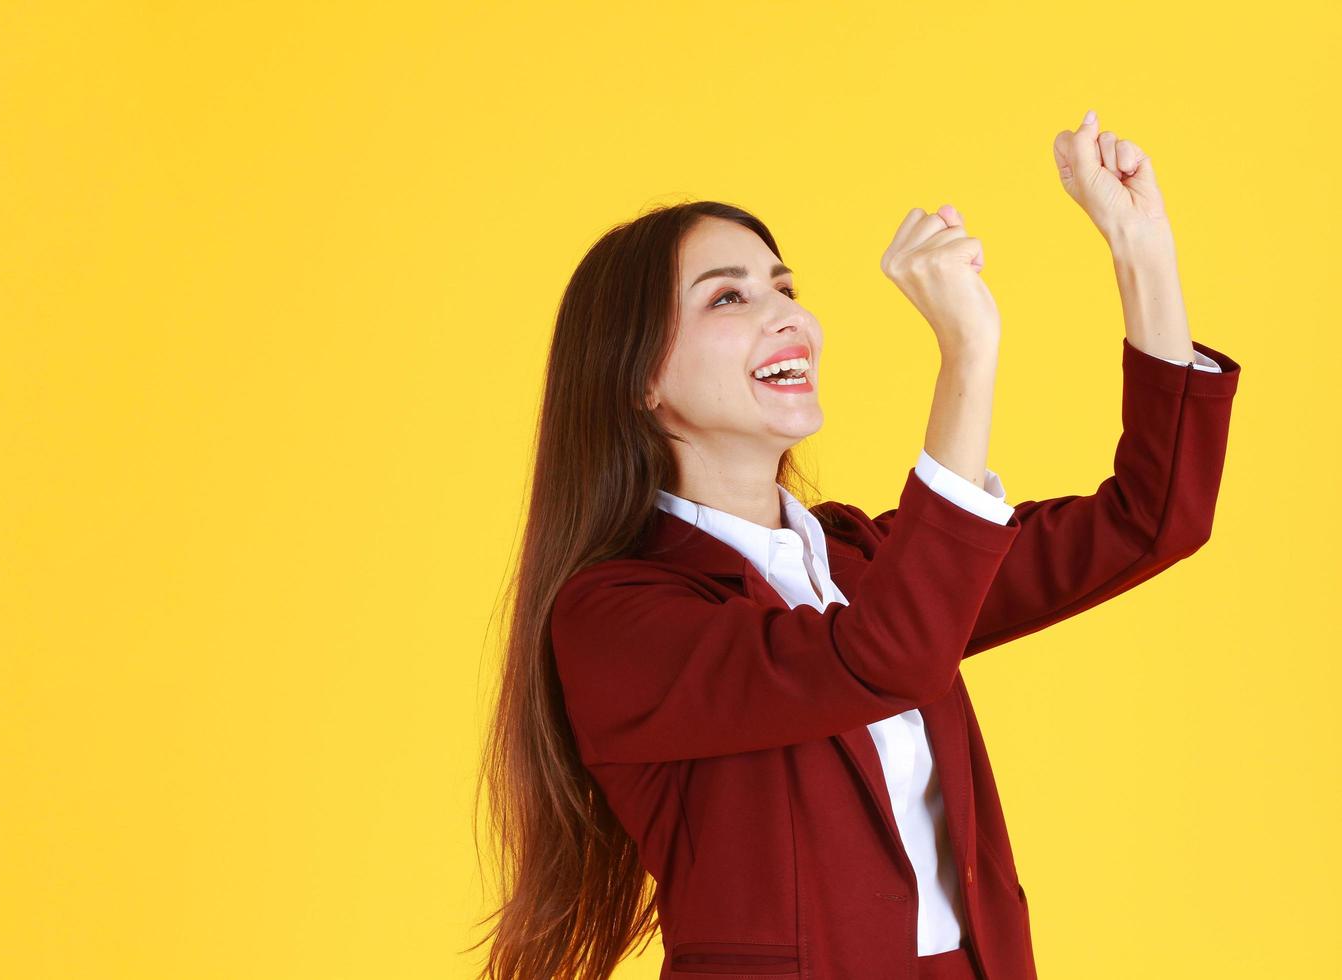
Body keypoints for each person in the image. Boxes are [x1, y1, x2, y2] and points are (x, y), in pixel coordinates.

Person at [471, 109, 1241, 979]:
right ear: (640, 376)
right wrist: (967, 357)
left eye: (785, 287)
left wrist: (1142, 251)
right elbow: (887, 655)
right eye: (729, 296)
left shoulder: (859, 562)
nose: (788, 316)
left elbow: (1154, 515)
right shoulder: (615, 618)